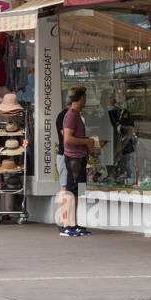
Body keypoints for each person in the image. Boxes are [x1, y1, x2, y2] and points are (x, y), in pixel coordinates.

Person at [60, 85, 94, 237]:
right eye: (85, 97)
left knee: (77, 191)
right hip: (74, 157)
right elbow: (68, 139)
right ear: (81, 98)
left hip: (79, 157)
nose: (86, 100)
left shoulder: (75, 115)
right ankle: (68, 224)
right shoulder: (72, 115)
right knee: (72, 190)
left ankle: (74, 223)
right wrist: (86, 141)